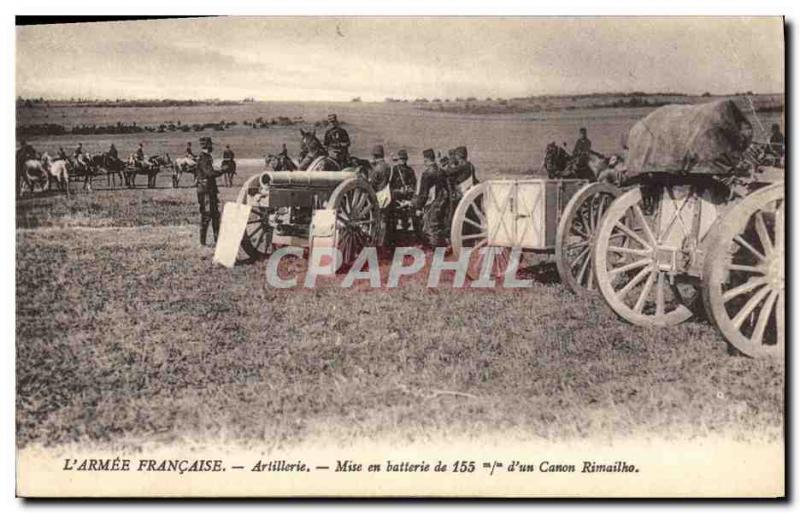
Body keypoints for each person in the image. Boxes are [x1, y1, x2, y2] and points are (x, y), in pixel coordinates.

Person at [414, 148, 451, 247]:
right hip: (443, 201)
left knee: (431, 227)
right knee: (439, 225)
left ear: (426, 159)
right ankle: (443, 247)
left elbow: (423, 194)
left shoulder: (427, 174)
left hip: (434, 203)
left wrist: (418, 207)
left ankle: (437, 252)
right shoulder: (441, 171)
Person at [385, 149, 417, 241]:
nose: (403, 160)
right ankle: (397, 237)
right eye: (402, 159)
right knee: (397, 218)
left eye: (404, 159)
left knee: (404, 218)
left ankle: (403, 236)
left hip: (404, 197)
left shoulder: (408, 170)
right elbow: (390, 185)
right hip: (398, 197)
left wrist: (408, 190)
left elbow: (413, 184)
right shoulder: (395, 170)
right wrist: (400, 191)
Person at [196, 136, 223, 246]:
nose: (212, 147)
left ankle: (216, 241)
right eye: (210, 145)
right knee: (207, 216)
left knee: (215, 215)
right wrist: (222, 171)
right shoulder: (204, 158)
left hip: (208, 190)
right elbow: (209, 173)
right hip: (206, 190)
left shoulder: (205, 157)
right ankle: (203, 243)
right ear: (208, 146)